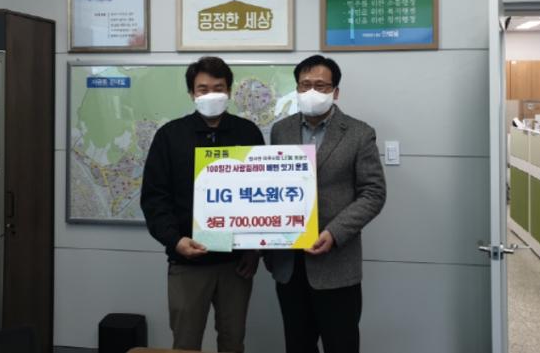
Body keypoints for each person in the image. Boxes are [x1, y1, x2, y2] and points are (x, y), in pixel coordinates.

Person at [141, 56, 264, 353]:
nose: (211, 95)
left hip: (236, 265)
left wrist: (254, 249)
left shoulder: (248, 133)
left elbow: (260, 195)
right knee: (185, 343)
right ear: (191, 94)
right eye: (203, 89)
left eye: (218, 88)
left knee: (233, 341)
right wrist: (175, 240)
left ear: (229, 91)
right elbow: (155, 198)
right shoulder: (170, 136)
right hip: (188, 262)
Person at [265, 55, 386, 353]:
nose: (311, 92)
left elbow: (373, 193)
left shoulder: (359, 133)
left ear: (335, 91)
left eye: (320, 86)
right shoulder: (280, 130)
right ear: (296, 89)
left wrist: (334, 232)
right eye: (304, 85)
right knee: (297, 345)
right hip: (289, 265)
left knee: (341, 345)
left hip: (336, 265)